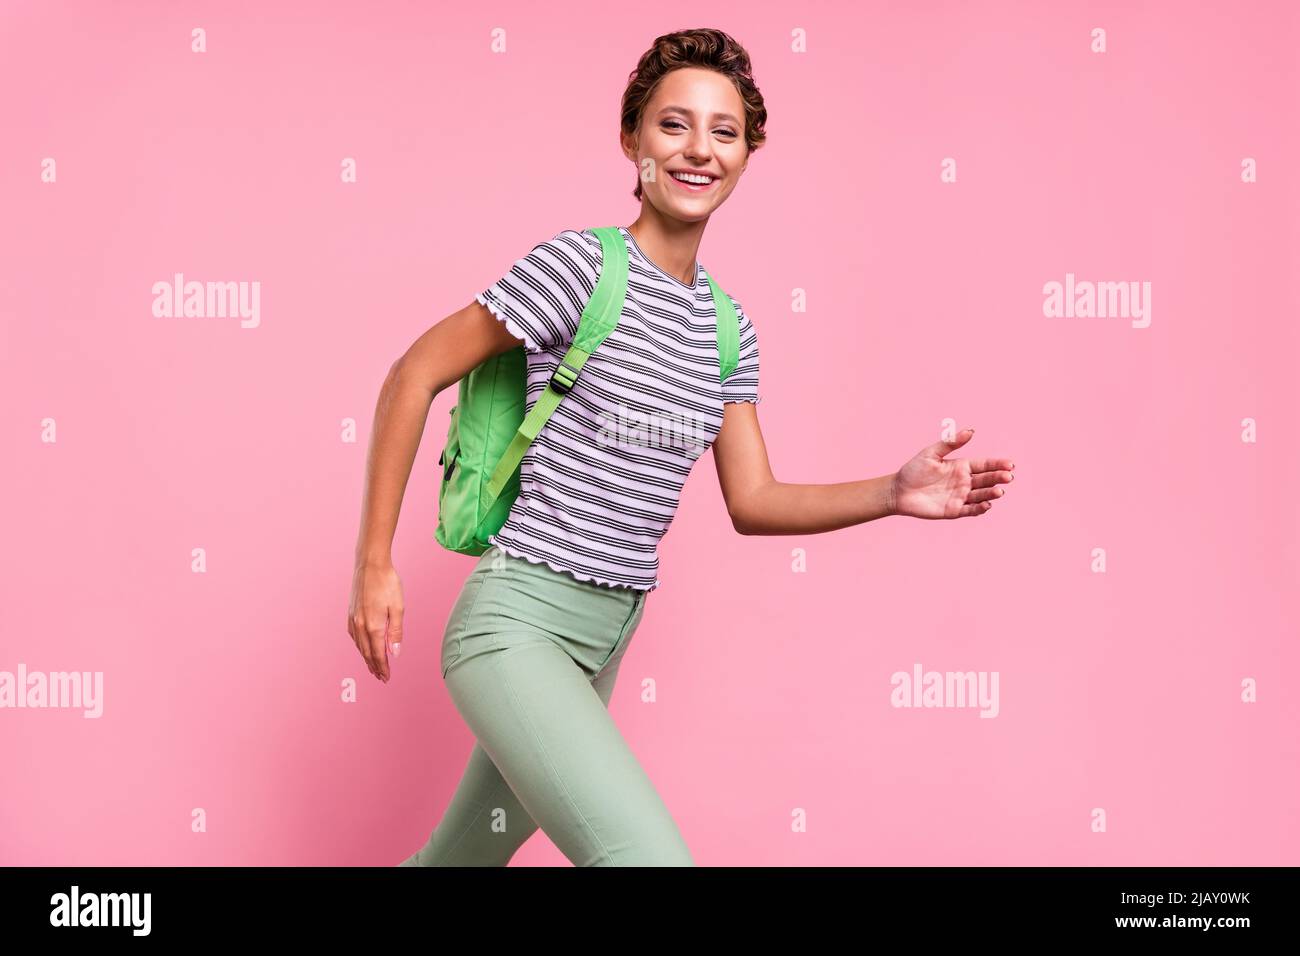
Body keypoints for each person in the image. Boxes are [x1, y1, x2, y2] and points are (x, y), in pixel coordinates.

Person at [347, 28, 1016, 867]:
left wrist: (891, 490)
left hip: (604, 640)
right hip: (515, 625)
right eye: (674, 125)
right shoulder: (580, 269)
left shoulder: (728, 331)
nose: (700, 149)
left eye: (724, 131)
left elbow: (755, 500)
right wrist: (375, 562)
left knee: (460, 861)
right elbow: (413, 374)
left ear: (747, 153)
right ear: (632, 140)